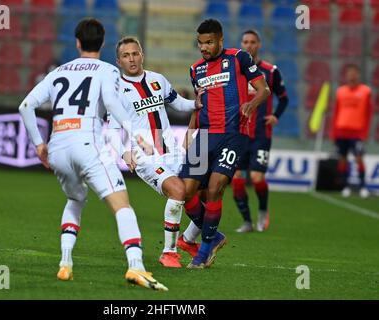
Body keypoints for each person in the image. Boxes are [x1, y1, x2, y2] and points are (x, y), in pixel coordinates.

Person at [18, 18, 167, 291]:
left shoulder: (58, 71)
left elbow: (26, 105)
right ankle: (136, 266)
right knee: (122, 205)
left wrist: (39, 144)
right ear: (103, 42)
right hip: (88, 144)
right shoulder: (108, 71)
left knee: (76, 198)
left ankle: (65, 262)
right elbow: (110, 102)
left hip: (58, 148)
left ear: (77, 42)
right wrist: (136, 135)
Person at [178, 19, 270, 268]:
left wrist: (251, 105)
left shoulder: (239, 58)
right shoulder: (195, 69)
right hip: (205, 135)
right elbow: (199, 105)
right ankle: (214, 236)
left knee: (216, 187)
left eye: (209, 42)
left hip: (233, 133)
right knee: (184, 193)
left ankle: (203, 251)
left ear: (220, 40)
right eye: (200, 43)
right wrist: (190, 131)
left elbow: (264, 89)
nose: (204, 48)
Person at [107, 36, 202, 268]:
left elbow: (178, 103)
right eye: (126, 55)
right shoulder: (115, 90)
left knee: (207, 188)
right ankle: (168, 253)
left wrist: (196, 103)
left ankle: (188, 240)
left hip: (171, 149)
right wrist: (124, 153)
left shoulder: (157, 79)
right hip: (144, 156)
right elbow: (111, 131)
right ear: (118, 61)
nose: (132, 59)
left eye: (135, 53)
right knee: (178, 190)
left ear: (142, 55)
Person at [231, 29, 289, 233]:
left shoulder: (270, 71)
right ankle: (247, 221)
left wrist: (276, 116)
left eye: (252, 42)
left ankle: (263, 211)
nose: (248, 45)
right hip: (239, 134)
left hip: (261, 134)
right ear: (241, 44)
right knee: (236, 177)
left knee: (256, 178)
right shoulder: (234, 70)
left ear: (259, 45)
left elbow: (284, 97)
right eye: (245, 41)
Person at [329, 64, 373, 199]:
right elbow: (336, 112)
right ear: (346, 75)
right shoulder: (340, 91)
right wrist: (333, 132)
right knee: (342, 159)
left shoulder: (366, 91)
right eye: (349, 73)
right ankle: (346, 186)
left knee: (359, 158)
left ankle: (362, 186)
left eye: (354, 73)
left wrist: (365, 132)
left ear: (358, 74)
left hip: (357, 131)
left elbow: (369, 113)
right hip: (342, 130)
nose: (351, 75)